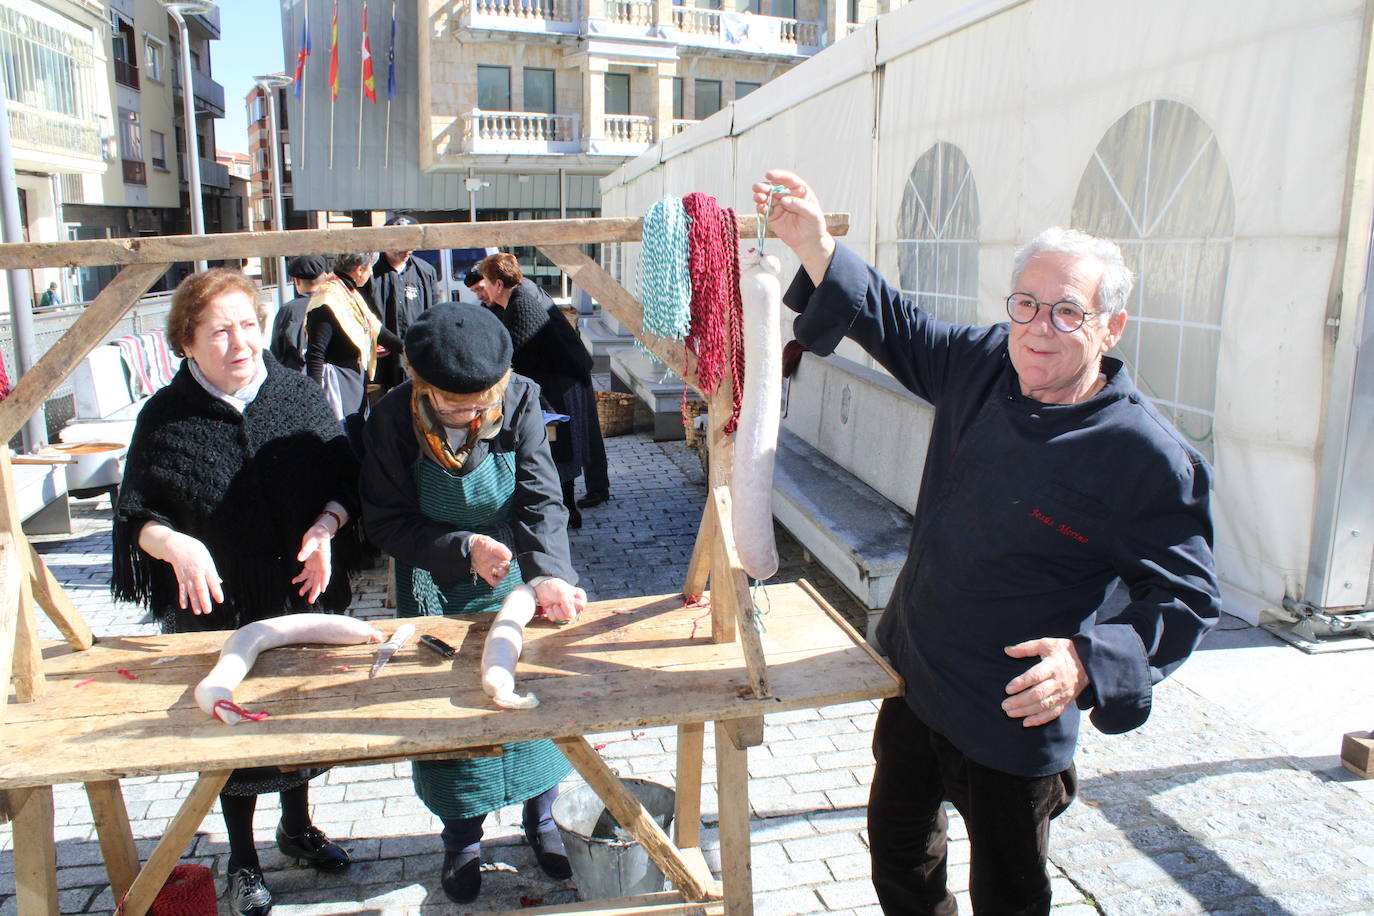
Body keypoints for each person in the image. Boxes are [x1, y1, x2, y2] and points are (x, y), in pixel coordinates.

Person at [752, 169, 1221, 916]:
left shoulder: (1147, 456)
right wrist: (815, 244)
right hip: (917, 671)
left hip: (1012, 715)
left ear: (1111, 326)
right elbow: (897, 323)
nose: (1039, 328)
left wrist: (1087, 662)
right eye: (1027, 305)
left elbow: (1188, 598)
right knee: (901, 855)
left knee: (1008, 895)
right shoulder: (982, 364)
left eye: (1068, 311)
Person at [111, 269, 363, 916]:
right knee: (233, 739)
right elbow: (136, 515)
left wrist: (328, 526)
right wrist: (174, 544)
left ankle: (299, 829)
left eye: (248, 325)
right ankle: (245, 861)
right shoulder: (165, 417)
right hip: (216, 609)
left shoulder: (297, 397)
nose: (240, 342)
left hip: (299, 596)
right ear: (186, 341)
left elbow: (345, 477)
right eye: (219, 331)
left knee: (299, 721)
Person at [359, 301, 586, 904]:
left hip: (517, 569)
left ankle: (541, 820)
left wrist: (551, 575)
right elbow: (384, 523)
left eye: (485, 401)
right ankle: (461, 839)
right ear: (421, 386)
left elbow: (541, 498)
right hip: (434, 575)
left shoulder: (521, 398)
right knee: (453, 718)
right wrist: (462, 548)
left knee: (531, 701)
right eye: (457, 406)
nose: (475, 414)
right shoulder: (388, 419)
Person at [477, 253, 611, 523]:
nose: (484, 290)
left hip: (562, 380)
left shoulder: (523, 301)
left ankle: (568, 510)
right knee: (559, 444)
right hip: (554, 377)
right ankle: (567, 507)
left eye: (486, 284)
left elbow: (514, 351)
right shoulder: (516, 297)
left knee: (562, 444)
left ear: (499, 284)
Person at [305, 251, 404, 426]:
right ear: (359, 269)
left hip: (354, 375)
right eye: (370, 268)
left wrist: (406, 348)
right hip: (337, 380)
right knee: (347, 433)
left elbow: (375, 328)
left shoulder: (347, 291)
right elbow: (316, 353)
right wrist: (315, 397)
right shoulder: (327, 298)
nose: (371, 273)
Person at [367, 215, 440, 392]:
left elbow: (434, 314)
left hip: (415, 361)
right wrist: (366, 343)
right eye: (401, 244)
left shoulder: (425, 271)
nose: (407, 250)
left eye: (411, 244)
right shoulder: (368, 273)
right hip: (379, 363)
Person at [269, 254, 329, 372]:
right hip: (333, 379)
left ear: (296, 281)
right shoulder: (334, 305)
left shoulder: (288, 310)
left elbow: (276, 351)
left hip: (297, 375)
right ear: (324, 277)